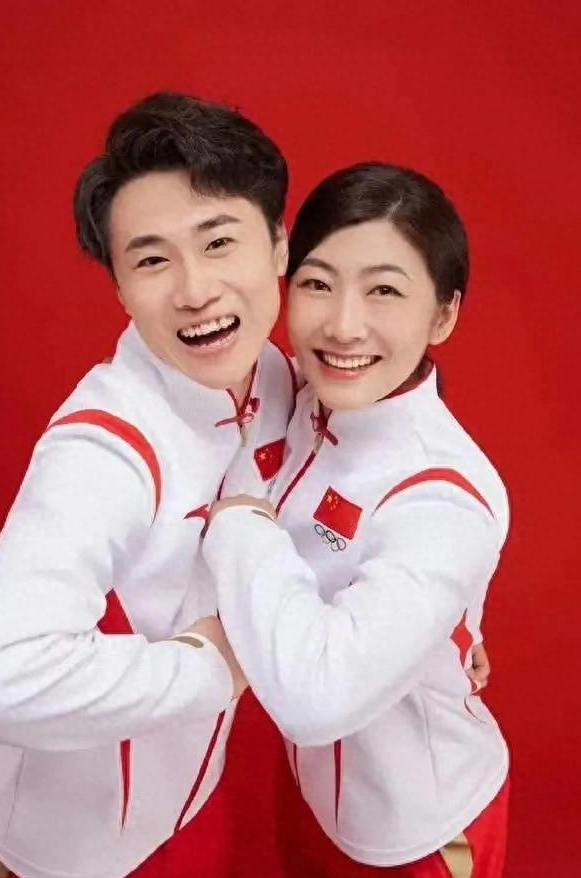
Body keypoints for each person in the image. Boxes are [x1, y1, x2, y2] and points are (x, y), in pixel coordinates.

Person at [0, 92, 296, 878]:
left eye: (218, 242)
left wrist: (458, 626)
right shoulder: (104, 449)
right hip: (66, 853)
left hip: (191, 803)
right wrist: (211, 667)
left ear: (278, 246)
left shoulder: (274, 373)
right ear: (121, 290)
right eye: (151, 260)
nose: (195, 289)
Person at [203, 162, 510, 877]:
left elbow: (319, 699)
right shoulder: (300, 394)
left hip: (419, 828)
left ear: (443, 315)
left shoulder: (446, 494)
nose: (343, 326)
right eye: (317, 284)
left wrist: (239, 523)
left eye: (384, 291)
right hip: (311, 790)